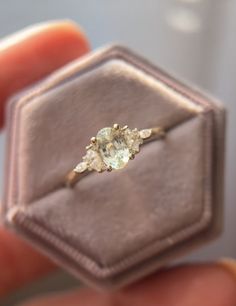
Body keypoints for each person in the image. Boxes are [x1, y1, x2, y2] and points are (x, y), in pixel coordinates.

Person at [0, 21, 235, 306]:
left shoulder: (132, 139)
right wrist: (81, 171)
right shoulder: (92, 160)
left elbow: (142, 137)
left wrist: (149, 135)